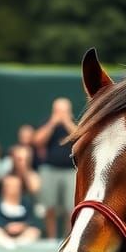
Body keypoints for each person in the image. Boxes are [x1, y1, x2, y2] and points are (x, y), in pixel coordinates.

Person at [34, 97, 78, 239]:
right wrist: (52, 124)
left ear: (69, 111)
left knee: (71, 208)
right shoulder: (47, 122)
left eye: (63, 111)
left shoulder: (75, 122)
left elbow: (80, 137)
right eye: (58, 111)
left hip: (71, 171)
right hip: (49, 169)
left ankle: (68, 239)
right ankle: (51, 238)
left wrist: (67, 122)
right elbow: (37, 141)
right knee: (49, 206)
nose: (60, 114)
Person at [0, 173, 42, 248]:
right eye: (9, 186)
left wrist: (22, 226)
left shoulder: (27, 202)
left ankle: (20, 246)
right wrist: (6, 226)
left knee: (34, 232)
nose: (12, 189)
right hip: (2, 232)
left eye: (15, 186)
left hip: (22, 233)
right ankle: (7, 246)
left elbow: (32, 219)